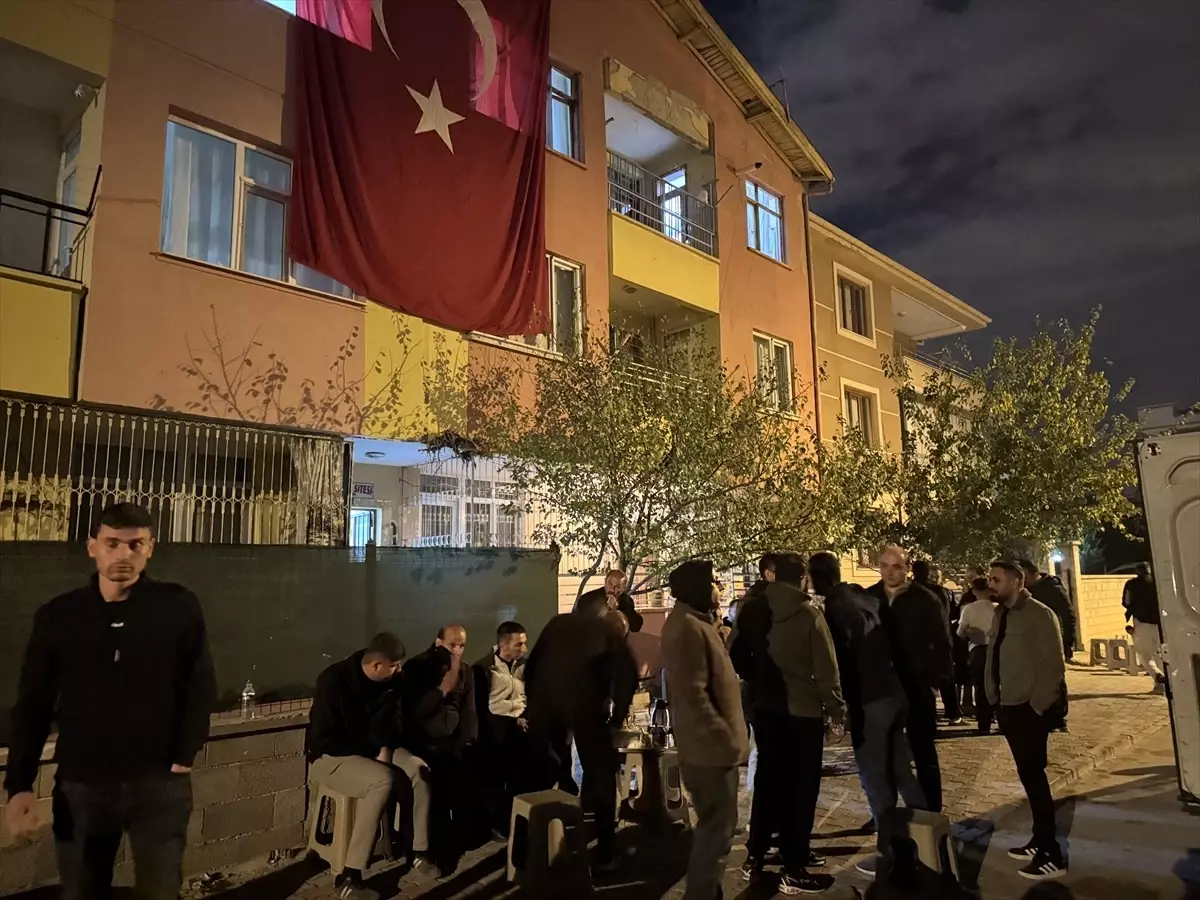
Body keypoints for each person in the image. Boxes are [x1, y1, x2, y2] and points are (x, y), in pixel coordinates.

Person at [5, 502, 217, 900]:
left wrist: (183, 755)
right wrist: (19, 785)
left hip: (158, 782)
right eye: (112, 543)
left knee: (159, 891)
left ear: (150, 548)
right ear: (92, 546)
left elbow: (200, 684)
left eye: (136, 544)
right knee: (82, 891)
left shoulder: (176, 607)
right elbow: (34, 702)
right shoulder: (60, 616)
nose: (124, 554)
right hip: (82, 782)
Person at [729, 552, 845, 895]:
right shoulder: (809, 614)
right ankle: (794, 865)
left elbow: (735, 653)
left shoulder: (753, 609)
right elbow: (826, 670)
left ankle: (756, 855)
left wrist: (758, 679)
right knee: (801, 790)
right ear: (802, 578)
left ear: (773, 576)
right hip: (802, 712)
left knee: (768, 782)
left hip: (766, 708)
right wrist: (836, 711)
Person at [810, 552, 925, 881]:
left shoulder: (835, 608)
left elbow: (841, 661)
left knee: (875, 776)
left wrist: (839, 707)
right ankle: (928, 835)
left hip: (869, 699)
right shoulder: (862, 597)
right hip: (893, 692)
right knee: (900, 769)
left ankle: (891, 855)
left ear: (816, 577)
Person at [524, 591, 638, 872]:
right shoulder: (605, 629)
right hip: (587, 710)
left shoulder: (556, 624)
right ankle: (605, 853)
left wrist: (535, 707)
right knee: (602, 775)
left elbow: (531, 667)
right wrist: (616, 720)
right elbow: (628, 676)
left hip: (547, 711)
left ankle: (536, 847)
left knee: (550, 775)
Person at [661, 560, 749, 900]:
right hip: (709, 751)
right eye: (713, 581)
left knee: (716, 829)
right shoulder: (687, 627)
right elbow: (694, 694)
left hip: (708, 748)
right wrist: (723, 738)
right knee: (716, 832)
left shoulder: (696, 622)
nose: (719, 586)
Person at [307, 633, 408, 899]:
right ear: (376, 665)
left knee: (417, 771)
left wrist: (385, 747)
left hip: (373, 751)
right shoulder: (333, 680)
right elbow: (326, 739)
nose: (399, 670)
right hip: (331, 757)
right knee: (382, 780)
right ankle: (350, 875)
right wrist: (372, 751)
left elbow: (394, 723)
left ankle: (414, 849)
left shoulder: (392, 682)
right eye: (394, 665)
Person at [986, 560, 1068, 881]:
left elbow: (1053, 666)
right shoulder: (1000, 613)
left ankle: (1051, 853)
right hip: (1007, 707)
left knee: (1035, 779)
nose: (990, 584)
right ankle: (1039, 839)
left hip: (1027, 710)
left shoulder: (1040, 615)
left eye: (996, 580)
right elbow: (994, 654)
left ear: (1016, 582)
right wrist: (992, 696)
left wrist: (1036, 707)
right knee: (1028, 777)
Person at [867, 545, 953, 814]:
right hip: (881, 688)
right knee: (884, 754)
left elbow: (941, 642)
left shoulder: (925, 599)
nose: (889, 572)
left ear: (907, 568)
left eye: (896, 567)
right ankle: (885, 811)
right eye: (884, 566)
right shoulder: (870, 598)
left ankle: (931, 812)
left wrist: (934, 680)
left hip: (915, 686)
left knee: (923, 751)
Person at [400, 624, 478, 872]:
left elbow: (469, 711)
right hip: (424, 742)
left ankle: (461, 835)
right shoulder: (417, 668)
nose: (457, 650)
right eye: (452, 645)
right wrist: (442, 689)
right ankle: (427, 847)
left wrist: (466, 741)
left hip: (452, 740)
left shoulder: (465, 671)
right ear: (438, 643)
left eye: (461, 646)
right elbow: (413, 715)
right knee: (435, 777)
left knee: (469, 767)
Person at [473, 621, 539, 836]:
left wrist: (525, 717)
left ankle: (525, 818)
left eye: (524, 643)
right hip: (497, 731)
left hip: (522, 728)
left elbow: (531, 698)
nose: (524, 649)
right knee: (498, 776)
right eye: (519, 644)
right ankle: (499, 823)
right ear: (503, 645)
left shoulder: (525, 667)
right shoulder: (483, 669)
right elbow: (481, 709)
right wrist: (510, 722)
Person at [911, 560, 963, 725]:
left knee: (922, 680)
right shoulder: (942, 592)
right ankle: (953, 713)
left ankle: (928, 713)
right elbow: (952, 613)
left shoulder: (908, 593)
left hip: (918, 642)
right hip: (941, 640)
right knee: (946, 678)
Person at [957, 578, 999, 734]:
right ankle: (1001, 720)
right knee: (997, 684)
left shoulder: (969, 609)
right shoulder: (998, 608)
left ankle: (984, 724)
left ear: (974, 591)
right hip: (996, 649)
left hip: (977, 650)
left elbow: (960, 632)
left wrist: (971, 633)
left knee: (980, 687)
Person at [1018, 560, 1077, 663]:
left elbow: (1068, 617)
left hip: (1049, 643)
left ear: (1026, 573)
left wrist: (1066, 646)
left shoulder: (1053, 588)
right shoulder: (1022, 590)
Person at [1122, 563, 1165, 684]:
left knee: (1144, 654)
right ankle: (1162, 685)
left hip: (1142, 623)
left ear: (1137, 571)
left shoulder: (1131, 584)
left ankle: (1157, 674)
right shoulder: (1158, 582)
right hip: (1161, 623)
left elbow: (1126, 602)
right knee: (1160, 654)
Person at [576, 569, 644, 633]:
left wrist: (617, 611)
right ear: (605, 581)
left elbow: (636, 627)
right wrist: (608, 611)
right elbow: (582, 626)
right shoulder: (588, 599)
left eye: (617, 586)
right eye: (610, 583)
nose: (612, 589)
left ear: (623, 588)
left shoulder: (626, 600)